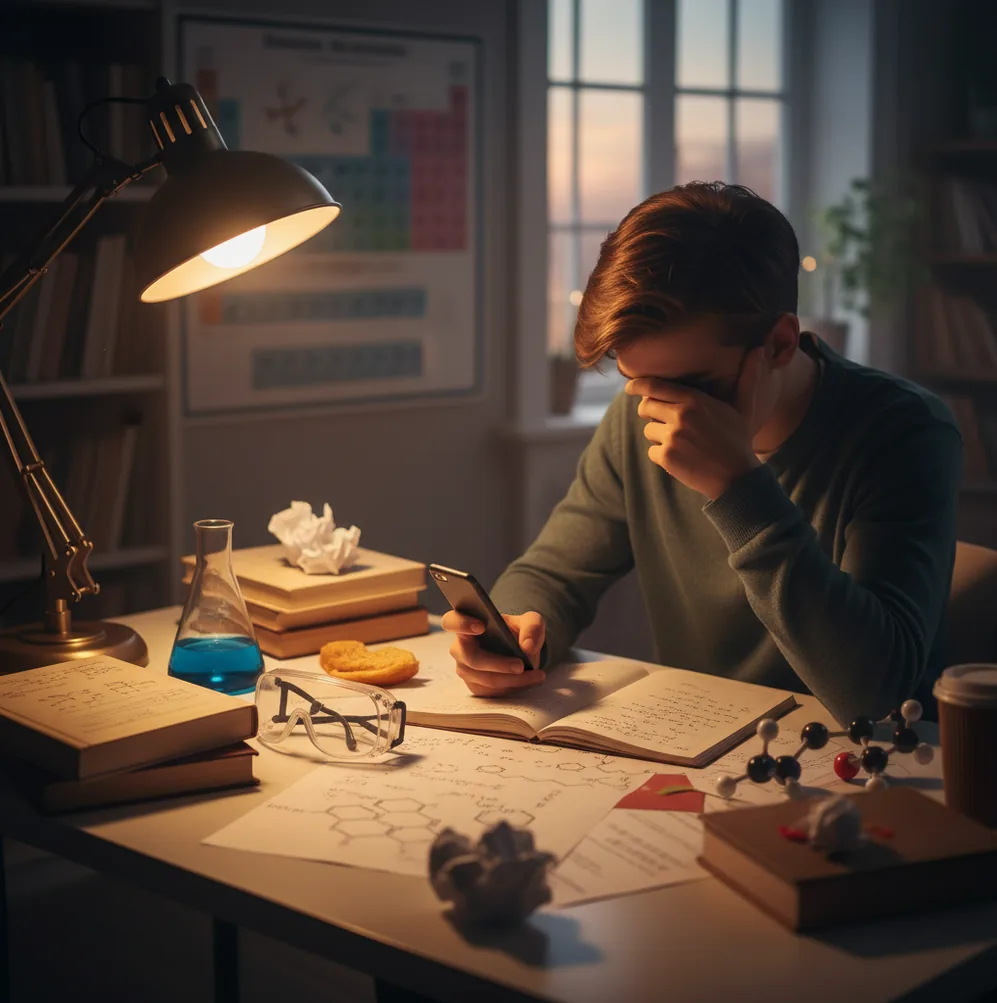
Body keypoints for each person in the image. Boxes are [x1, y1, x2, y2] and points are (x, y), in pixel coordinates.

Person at [442, 181, 963, 726]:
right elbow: (554, 575)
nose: (670, 413)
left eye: (694, 385)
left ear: (781, 344)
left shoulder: (905, 432)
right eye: (639, 382)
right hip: (701, 748)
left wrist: (739, 488)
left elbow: (875, 695)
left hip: (875, 766)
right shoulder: (635, 418)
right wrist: (511, 634)